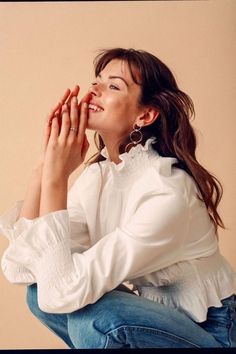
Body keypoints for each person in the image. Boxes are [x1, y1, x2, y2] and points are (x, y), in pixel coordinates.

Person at [0, 48, 235, 349]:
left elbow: (60, 292)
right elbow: (21, 266)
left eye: (113, 85)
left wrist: (57, 180)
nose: (94, 89)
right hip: (156, 320)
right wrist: (44, 167)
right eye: (96, 81)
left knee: (96, 320)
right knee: (38, 292)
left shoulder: (166, 191)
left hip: (211, 330)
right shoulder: (100, 177)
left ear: (145, 115)